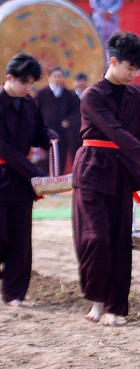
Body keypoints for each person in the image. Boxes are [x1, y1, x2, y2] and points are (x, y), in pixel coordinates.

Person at [73, 32, 140, 326]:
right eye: (129, 68)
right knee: (96, 238)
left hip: (121, 173)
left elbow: (135, 135)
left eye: (137, 70)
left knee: (120, 242)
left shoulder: (135, 95)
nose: (133, 74)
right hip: (92, 170)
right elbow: (114, 131)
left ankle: (116, 308)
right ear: (114, 61)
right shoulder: (92, 94)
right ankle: (97, 301)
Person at [0, 53, 57, 307]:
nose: (28, 88)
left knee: (21, 239)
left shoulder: (30, 104)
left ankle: (14, 295)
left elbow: (37, 133)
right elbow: (5, 150)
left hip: (21, 183)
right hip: (6, 173)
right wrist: (34, 172)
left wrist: (49, 136)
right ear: (9, 78)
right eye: (24, 82)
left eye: (31, 83)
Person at [34, 66, 81, 176]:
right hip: (45, 130)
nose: (57, 79)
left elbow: (75, 109)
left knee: (61, 156)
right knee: (44, 158)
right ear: (49, 77)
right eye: (55, 76)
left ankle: (58, 183)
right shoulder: (42, 93)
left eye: (59, 76)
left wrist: (68, 120)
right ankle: (43, 181)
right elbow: (34, 110)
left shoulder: (67, 94)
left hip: (62, 131)